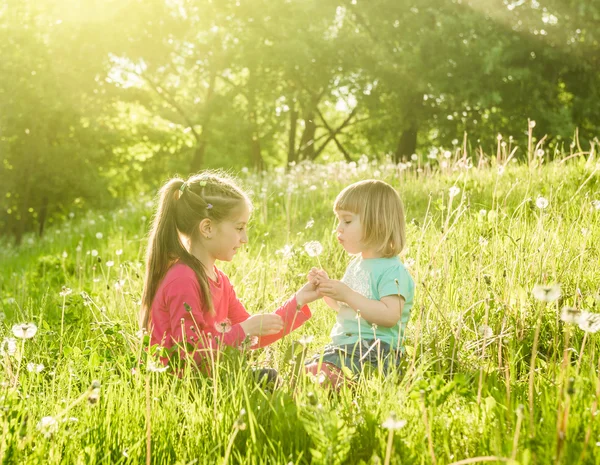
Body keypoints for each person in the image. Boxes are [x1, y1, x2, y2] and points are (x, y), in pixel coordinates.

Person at [139, 171, 319, 380]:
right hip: (182, 386)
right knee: (271, 379)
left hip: (214, 378)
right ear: (207, 228)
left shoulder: (219, 279)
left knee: (277, 379)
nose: (245, 239)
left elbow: (255, 334)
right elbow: (190, 354)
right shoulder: (183, 280)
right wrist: (244, 330)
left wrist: (299, 301)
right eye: (239, 228)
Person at [305, 179, 415, 388]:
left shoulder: (392, 270)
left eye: (347, 221)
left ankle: (345, 386)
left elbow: (389, 315)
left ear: (377, 223)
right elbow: (346, 308)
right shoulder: (357, 264)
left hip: (375, 350)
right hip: (343, 347)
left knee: (321, 374)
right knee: (308, 370)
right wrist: (329, 290)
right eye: (338, 221)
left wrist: (347, 294)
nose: (338, 228)